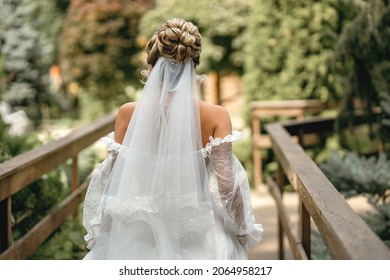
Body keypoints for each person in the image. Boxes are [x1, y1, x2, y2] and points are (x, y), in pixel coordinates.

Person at [82, 17, 262, 260]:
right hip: (198, 228)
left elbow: (114, 180)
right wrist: (242, 229)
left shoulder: (127, 114)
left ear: (152, 63)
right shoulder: (216, 116)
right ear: (193, 63)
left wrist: (105, 231)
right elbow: (227, 186)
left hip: (140, 229)